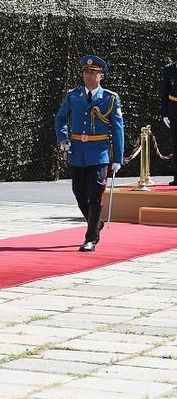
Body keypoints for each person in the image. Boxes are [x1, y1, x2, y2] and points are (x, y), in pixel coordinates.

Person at [55, 55, 124, 252]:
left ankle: (91, 238)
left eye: (93, 73)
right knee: (79, 194)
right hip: (77, 152)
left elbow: (118, 128)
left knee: (95, 195)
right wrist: (63, 139)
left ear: (101, 76)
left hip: (99, 153)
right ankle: (95, 223)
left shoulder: (110, 98)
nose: (88, 76)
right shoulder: (73, 96)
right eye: (86, 72)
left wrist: (118, 158)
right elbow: (60, 119)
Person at [161, 54, 177, 185]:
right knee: (175, 144)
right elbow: (164, 93)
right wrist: (164, 114)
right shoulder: (169, 70)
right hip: (174, 109)